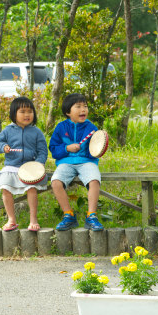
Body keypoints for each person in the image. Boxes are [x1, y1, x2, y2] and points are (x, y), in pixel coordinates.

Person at [0, 96, 48, 232]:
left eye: (30, 111)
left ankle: (33, 219)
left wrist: (38, 165)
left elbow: (43, 151)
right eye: (22, 111)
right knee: (5, 186)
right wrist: (3, 147)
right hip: (11, 166)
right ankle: (11, 219)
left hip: (31, 167)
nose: (27, 114)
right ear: (14, 114)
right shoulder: (7, 130)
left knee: (31, 188)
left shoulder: (37, 132)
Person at [49, 93, 104, 231]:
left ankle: (91, 216)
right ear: (68, 112)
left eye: (85, 106)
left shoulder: (91, 128)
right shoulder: (60, 128)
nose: (83, 110)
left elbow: (95, 150)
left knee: (94, 181)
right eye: (78, 107)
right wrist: (67, 148)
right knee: (55, 182)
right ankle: (68, 215)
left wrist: (100, 143)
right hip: (65, 162)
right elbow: (53, 149)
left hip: (87, 162)